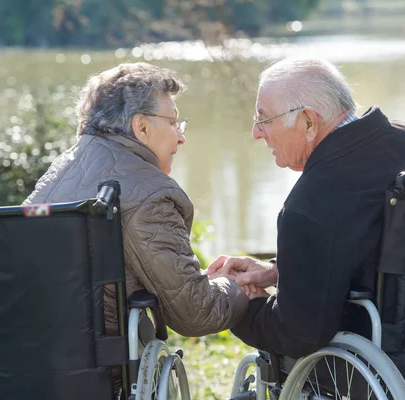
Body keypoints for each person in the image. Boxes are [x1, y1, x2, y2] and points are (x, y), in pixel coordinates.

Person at [206, 57, 405, 393]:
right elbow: (397, 257)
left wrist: (238, 303)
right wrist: (279, 270)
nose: (256, 132)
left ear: (309, 122)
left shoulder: (309, 204)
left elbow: (297, 334)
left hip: (384, 370)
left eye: (263, 119)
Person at [24, 63, 248, 380]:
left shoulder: (56, 175)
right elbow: (196, 313)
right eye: (174, 123)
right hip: (97, 372)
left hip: (19, 366)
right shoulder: (151, 195)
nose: (181, 137)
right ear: (141, 127)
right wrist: (236, 287)